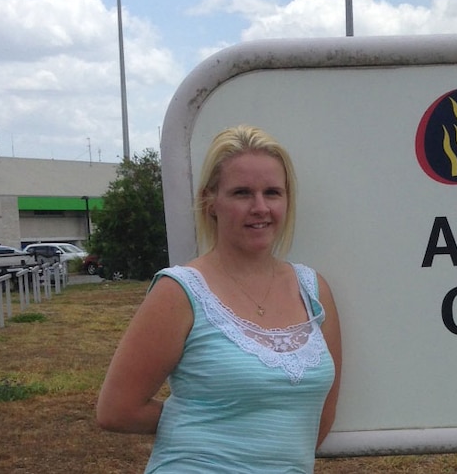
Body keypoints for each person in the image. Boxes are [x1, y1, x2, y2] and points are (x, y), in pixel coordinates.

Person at [97, 124, 342, 473]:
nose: (260, 207)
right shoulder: (180, 291)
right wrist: (213, 424)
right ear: (210, 201)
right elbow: (117, 409)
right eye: (242, 193)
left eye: (272, 193)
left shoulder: (314, 291)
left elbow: (320, 419)